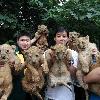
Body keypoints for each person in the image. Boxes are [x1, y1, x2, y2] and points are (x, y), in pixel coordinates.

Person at [44, 26, 78, 100]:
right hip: (51, 95)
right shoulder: (48, 52)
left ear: (68, 39)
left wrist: (66, 60)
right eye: (58, 36)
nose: (61, 38)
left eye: (64, 36)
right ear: (54, 38)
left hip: (67, 96)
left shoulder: (73, 53)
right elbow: (45, 72)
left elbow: (74, 74)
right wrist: (51, 60)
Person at [8, 30, 37, 100]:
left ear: (30, 42)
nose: (25, 43)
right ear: (17, 41)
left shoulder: (34, 53)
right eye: (22, 40)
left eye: (27, 40)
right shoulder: (12, 53)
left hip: (31, 93)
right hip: (16, 92)